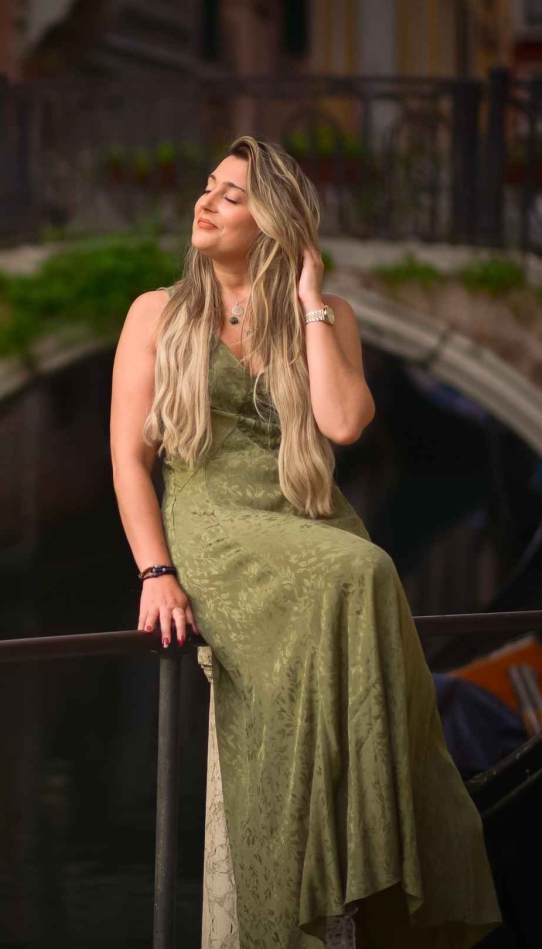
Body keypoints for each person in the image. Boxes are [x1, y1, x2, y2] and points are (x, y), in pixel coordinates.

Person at [108, 135, 503, 948]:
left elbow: (344, 423)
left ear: (276, 223)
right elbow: (127, 457)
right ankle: (340, 882)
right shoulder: (155, 311)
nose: (205, 202)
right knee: (363, 570)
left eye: (230, 195)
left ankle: (370, 870)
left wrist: (312, 295)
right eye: (207, 186)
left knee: (357, 571)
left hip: (307, 516)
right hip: (214, 521)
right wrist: (157, 570)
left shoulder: (326, 317)